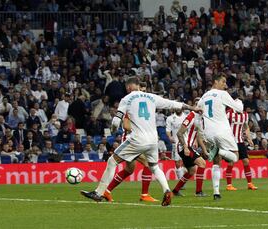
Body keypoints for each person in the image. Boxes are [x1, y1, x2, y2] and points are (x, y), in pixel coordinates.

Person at [81, 77, 202, 206]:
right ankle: (166, 190)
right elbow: (173, 103)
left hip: (137, 138)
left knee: (112, 161)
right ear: (139, 86)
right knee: (154, 166)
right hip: (153, 140)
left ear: (128, 88)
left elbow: (116, 121)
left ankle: (99, 193)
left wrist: (113, 129)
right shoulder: (151, 97)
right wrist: (192, 108)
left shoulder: (126, 99)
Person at [103, 82, 158, 203]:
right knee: (148, 163)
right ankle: (144, 194)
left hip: (137, 140)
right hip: (131, 140)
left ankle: (106, 191)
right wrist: (142, 129)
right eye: (142, 89)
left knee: (129, 170)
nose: (143, 92)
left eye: (145, 90)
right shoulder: (132, 106)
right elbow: (126, 125)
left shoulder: (143, 106)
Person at [197, 73, 243, 200]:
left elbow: (197, 115)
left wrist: (201, 133)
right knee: (235, 157)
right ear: (216, 82)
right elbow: (238, 109)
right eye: (223, 82)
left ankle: (216, 192)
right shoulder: (222, 94)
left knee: (216, 162)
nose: (225, 85)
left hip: (209, 132)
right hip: (222, 130)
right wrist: (238, 100)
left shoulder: (203, 96)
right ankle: (220, 150)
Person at [172, 97, 208, 197]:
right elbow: (179, 133)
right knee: (202, 163)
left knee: (192, 170)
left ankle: (175, 190)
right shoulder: (191, 116)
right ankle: (198, 191)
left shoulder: (200, 118)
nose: (200, 107)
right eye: (197, 104)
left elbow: (199, 136)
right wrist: (185, 147)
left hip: (189, 146)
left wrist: (204, 149)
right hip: (184, 147)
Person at [225, 105, 258, 191]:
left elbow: (246, 127)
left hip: (240, 141)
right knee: (231, 162)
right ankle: (229, 185)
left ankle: (250, 184)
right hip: (231, 142)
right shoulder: (229, 113)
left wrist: (249, 139)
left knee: (246, 161)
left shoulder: (245, 115)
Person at [166, 108, 187, 180]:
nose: (178, 109)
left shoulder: (187, 117)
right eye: (176, 107)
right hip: (176, 142)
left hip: (186, 142)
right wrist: (169, 137)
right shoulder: (170, 118)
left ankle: (183, 178)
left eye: (179, 107)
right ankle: (181, 180)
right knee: (177, 162)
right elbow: (168, 130)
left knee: (187, 162)